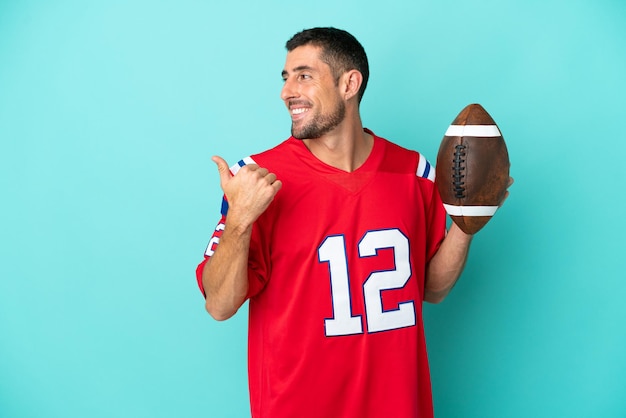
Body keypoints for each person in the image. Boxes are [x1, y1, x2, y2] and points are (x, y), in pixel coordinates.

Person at [196, 27, 508, 418]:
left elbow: (431, 289)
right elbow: (219, 305)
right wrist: (240, 218)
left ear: (350, 83)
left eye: (304, 75)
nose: (286, 91)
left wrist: (466, 224)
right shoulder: (257, 179)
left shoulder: (414, 172)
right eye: (285, 77)